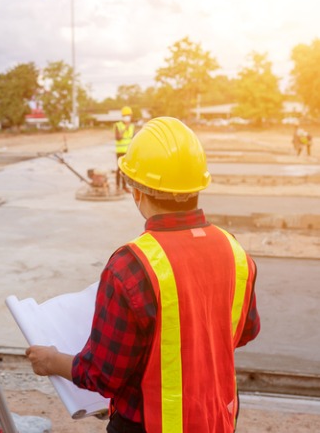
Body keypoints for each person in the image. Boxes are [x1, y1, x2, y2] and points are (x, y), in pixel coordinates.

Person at [26, 117, 260, 433]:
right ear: (197, 187)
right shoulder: (235, 252)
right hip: (219, 418)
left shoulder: (132, 265)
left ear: (137, 191)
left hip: (151, 425)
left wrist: (52, 361)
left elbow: (104, 373)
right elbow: (245, 331)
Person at [114, 106, 135, 193]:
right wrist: (124, 129)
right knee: (119, 169)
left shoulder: (132, 126)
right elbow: (118, 138)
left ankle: (124, 186)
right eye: (126, 115)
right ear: (122, 116)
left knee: (126, 170)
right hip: (120, 151)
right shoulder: (117, 125)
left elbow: (134, 138)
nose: (127, 117)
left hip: (128, 151)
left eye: (129, 115)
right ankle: (117, 186)